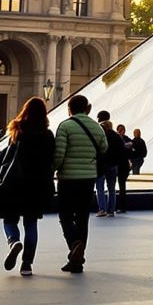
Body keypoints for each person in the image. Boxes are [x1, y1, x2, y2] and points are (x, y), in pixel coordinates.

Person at [0, 97, 56, 277]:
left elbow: (8, 157)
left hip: (14, 183)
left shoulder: (17, 130)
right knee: (31, 223)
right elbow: (51, 160)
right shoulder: (47, 134)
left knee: (9, 219)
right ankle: (27, 265)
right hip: (37, 184)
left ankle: (13, 241)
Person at [52, 94, 105, 274]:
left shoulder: (65, 126)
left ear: (69, 109)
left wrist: (54, 168)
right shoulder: (97, 127)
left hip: (68, 178)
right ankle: (77, 261)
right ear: (87, 108)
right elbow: (104, 148)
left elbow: (59, 154)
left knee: (66, 216)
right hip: (89, 178)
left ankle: (75, 246)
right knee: (83, 217)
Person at [92, 111, 118, 217]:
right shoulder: (116, 136)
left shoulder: (99, 135)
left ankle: (102, 209)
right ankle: (111, 210)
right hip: (112, 165)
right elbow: (121, 149)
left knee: (100, 188)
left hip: (101, 165)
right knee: (111, 188)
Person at [107, 123, 133, 214]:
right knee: (116, 187)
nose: (122, 131)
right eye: (121, 130)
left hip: (120, 165)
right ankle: (116, 207)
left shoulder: (118, 139)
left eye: (123, 130)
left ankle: (119, 207)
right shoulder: (124, 140)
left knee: (118, 187)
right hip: (120, 165)